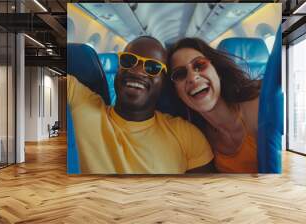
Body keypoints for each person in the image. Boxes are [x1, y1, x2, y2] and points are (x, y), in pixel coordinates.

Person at [67, 36, 214, 174]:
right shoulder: (80, 102)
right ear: (118, 68)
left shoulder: (187, 136)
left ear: (163, 82)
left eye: (152, 67)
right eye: (128, 60)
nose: (137, 71)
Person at [167, 38, 261, 173]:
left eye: (199, 65)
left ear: (217, 71)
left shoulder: (258, 105)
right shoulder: (196, 138)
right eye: (180, 74)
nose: (193, 78)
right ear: (177, 93)